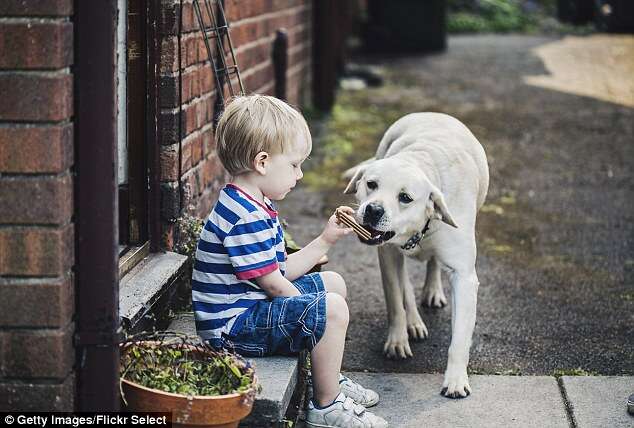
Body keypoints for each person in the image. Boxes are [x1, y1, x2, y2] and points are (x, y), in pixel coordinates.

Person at [191, 94, 388, 427]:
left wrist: (325, 239)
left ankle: (329, 375)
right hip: (232, 331)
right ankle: (325, 407)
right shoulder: (244, 217)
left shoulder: (253, 203)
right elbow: (274, 285)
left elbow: (279, 270)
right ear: (263, 162)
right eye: (295, 164)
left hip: (251, 309)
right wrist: (317, 313)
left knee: (333, 283)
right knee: (332, 308)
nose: (299, 175)